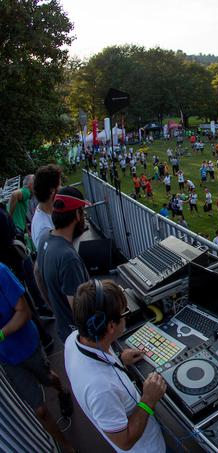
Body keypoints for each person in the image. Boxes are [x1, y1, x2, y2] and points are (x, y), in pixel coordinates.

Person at [64, 280, 166, 452]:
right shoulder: (101, 388)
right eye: (125, 312)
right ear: (111, 326)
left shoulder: (74, 339)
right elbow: (124, 441)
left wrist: (120, 358)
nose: (127, 316)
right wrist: (148, 399)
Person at [0, 263, 75, 452]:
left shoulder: (1, 271)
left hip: (27, 346)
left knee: (49, 378)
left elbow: (23, 312)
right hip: (7, 360)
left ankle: (62, 391)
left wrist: (1, 334)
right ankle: (66, 447)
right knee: (40, 410)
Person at [37, 187, 91, 342]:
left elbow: (38, 276)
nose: (84, 217)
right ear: (76, 214)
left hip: (64, 329)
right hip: (81, 338)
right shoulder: (68, 258)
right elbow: (80, 310)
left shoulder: (44, 238)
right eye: (83, 212)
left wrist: (56, 309)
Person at [30, 164, 61, 247]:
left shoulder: (46, 210)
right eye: (59, 185)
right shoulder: (43, 230)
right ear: (52, 190)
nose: (61, 188)